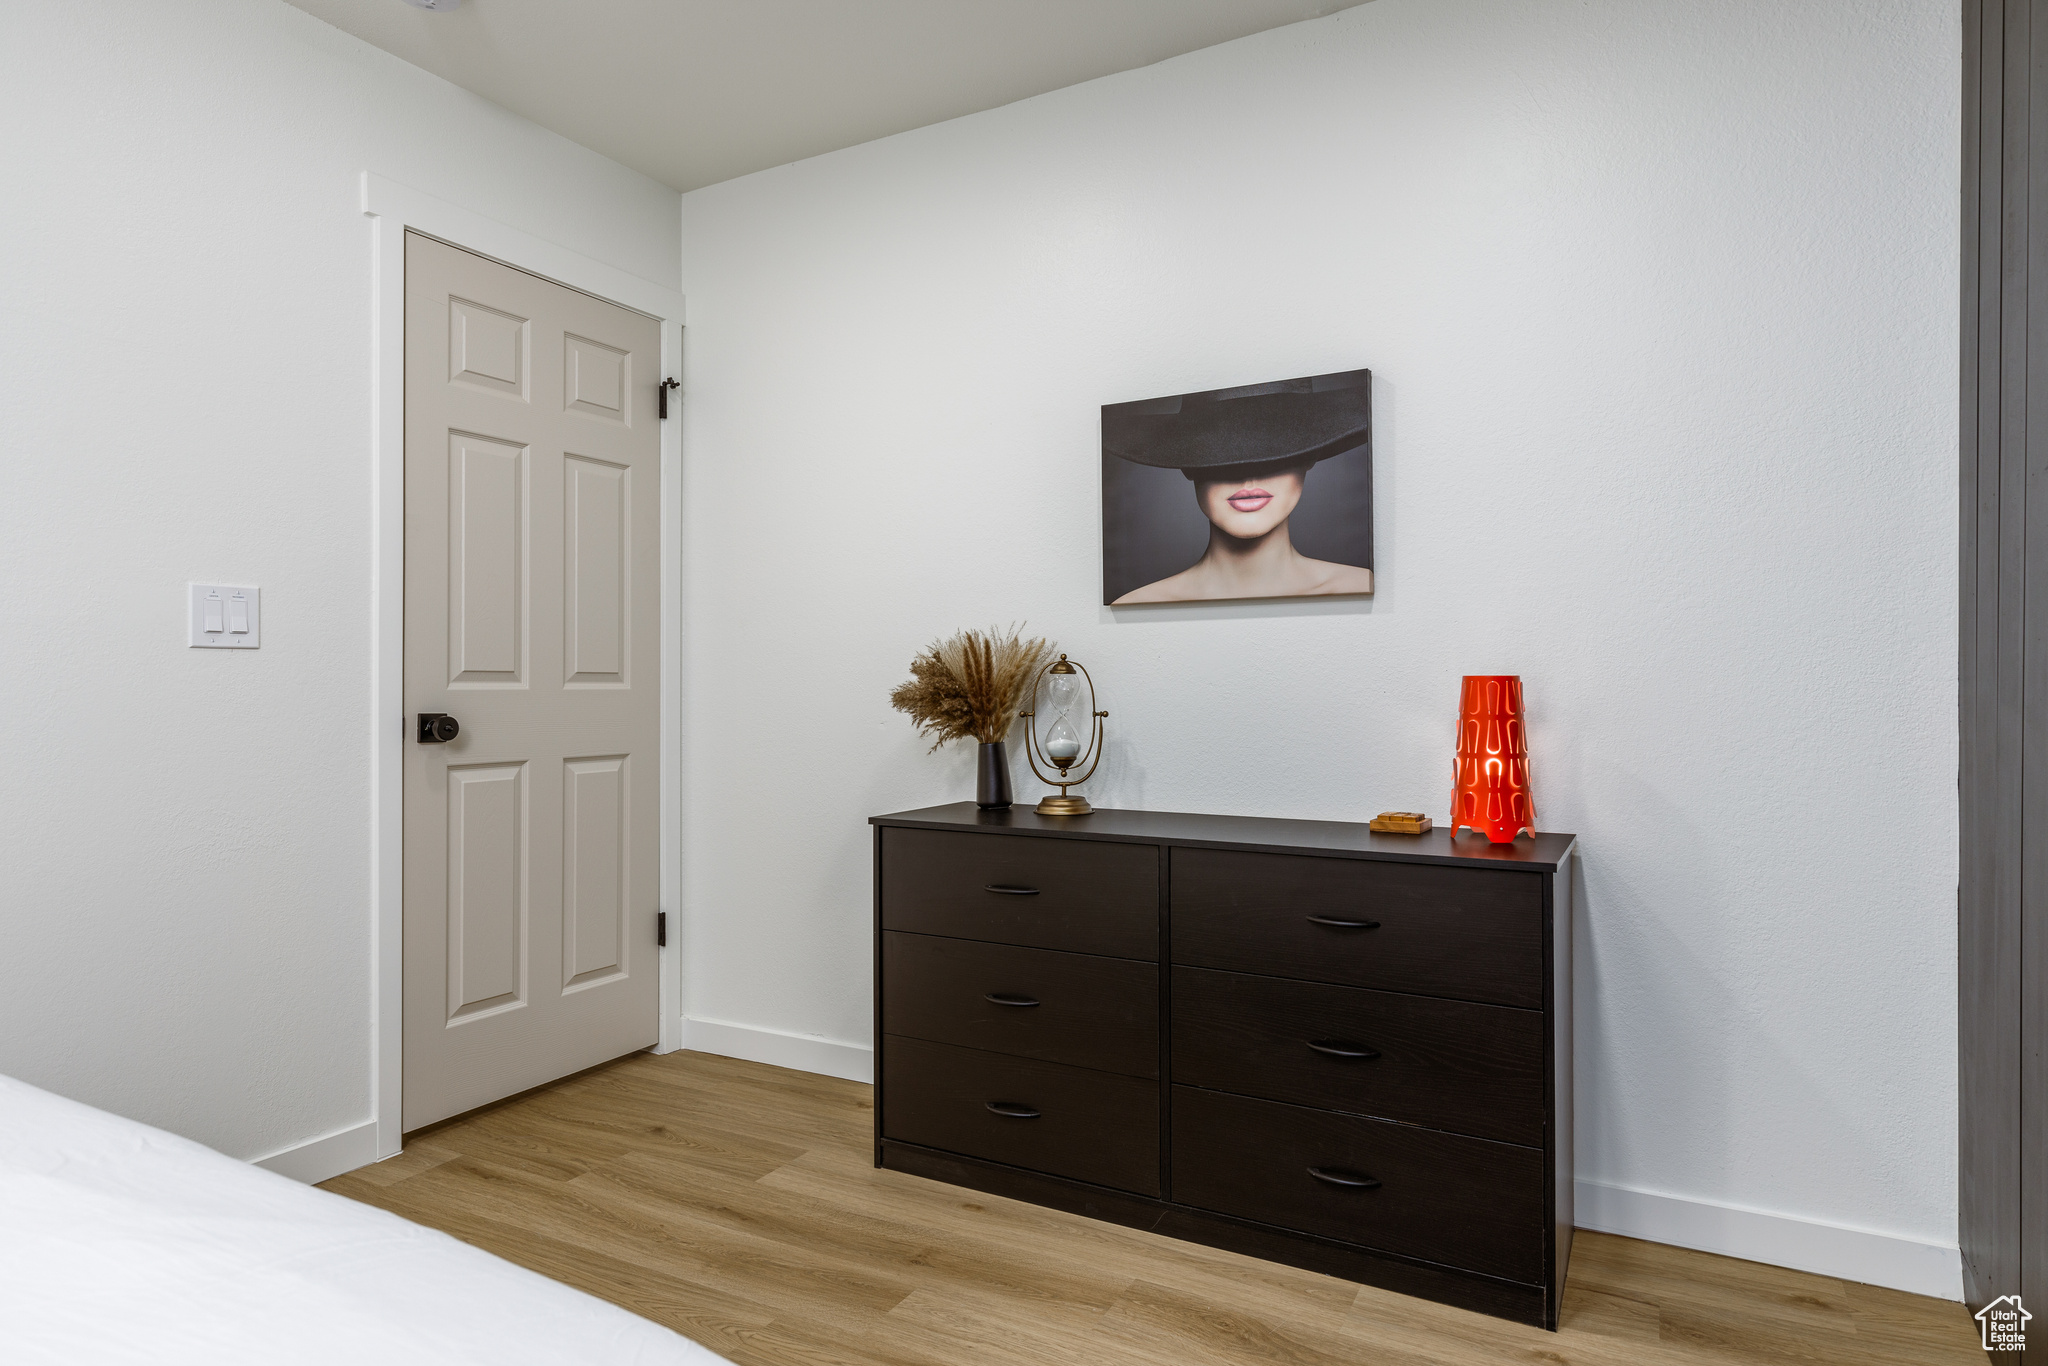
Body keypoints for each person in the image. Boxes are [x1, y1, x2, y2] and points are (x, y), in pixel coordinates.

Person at [1104, 369, 1373, 604]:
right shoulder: (1137, 604)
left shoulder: (1362, 587)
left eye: (1277, 446)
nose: (1249, 474)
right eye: (1220, 450)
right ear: (1187, 464)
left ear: (1309, 456)